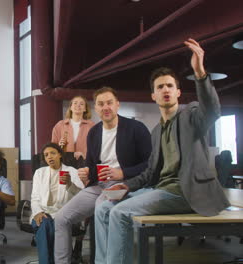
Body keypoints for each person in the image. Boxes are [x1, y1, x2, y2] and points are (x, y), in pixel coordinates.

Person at [94, 38, 230, 264]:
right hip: (160, 190)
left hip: (186, 192)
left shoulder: (192, 115)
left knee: (120, 213)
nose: (165, 89)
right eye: (160, 87)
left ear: (178, 92)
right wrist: (126, 185)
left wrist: (200, 73)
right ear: (153, 96)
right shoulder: (156, 131)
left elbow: (212, 110)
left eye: (170, 86)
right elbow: (149, 173)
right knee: (103, 207)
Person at [54, 87, 152, 263]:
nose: (105, 107)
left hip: (127, 184)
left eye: (109, 103)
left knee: (102, 207)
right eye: (101, 104)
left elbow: (150, 164)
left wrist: (122, 172)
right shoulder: (94, 132)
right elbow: (92, 167)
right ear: (96, 109)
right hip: (99, 185)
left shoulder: (136, 128)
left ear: (117, 105)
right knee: (61, 218)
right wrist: (86, 174)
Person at [30, 142, 83, 264]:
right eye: (46, 155)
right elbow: (34, 198)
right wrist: (37, 212)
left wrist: (70, 184)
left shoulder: (72, 171)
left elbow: (81, 196)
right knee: (45, 223)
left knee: (51, 225)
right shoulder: (39, 173)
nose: (49, 157)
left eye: (52, 153)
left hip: (63, 213)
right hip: (43, 212)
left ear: (60, 154)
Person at [51, 96, 95, 162]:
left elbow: (96, 146)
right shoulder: (60, 125)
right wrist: (59, 145)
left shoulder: (91, 126)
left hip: (85, 162)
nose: (78, 105)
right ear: (71, 107)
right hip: (65, 162)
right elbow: (52, 147)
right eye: (75, 103)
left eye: (81, 104)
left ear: (85, 109)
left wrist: (85, 155)